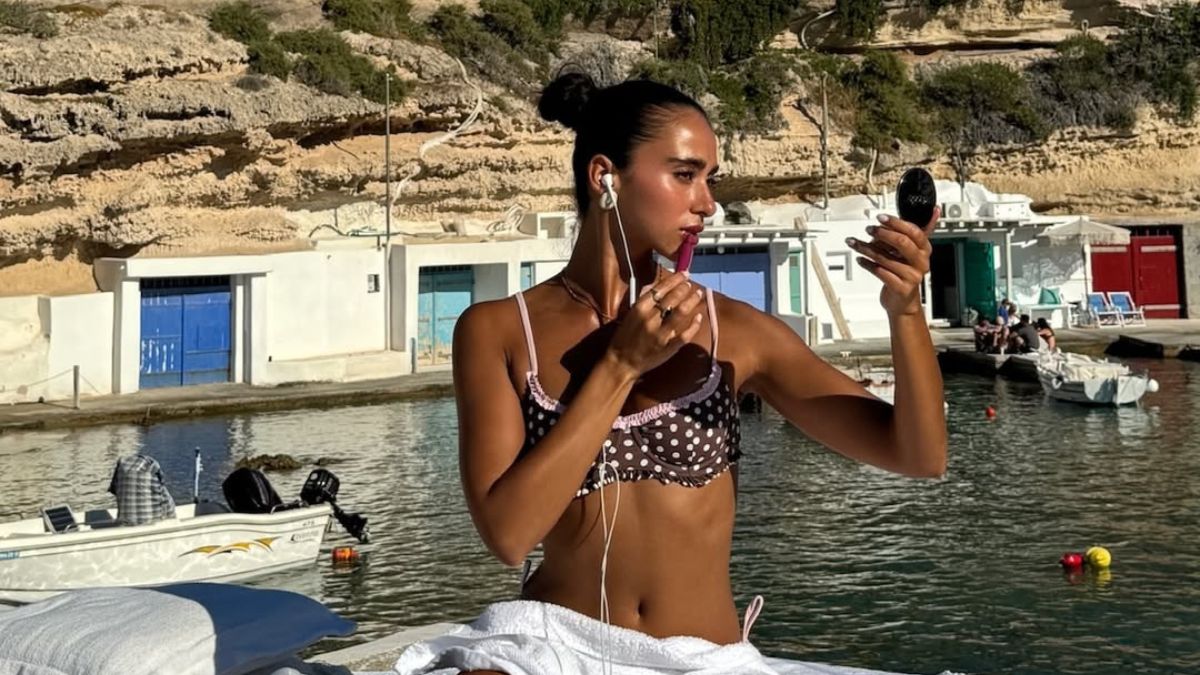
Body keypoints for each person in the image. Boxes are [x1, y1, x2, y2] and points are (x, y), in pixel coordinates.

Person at [394, 72, 948, 675]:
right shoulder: (499, 330)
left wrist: (906, 312)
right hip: (553, 646)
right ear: (605, 176)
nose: (707, 202)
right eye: (685, 175)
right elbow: (508, 537)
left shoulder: (735, 332)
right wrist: (619, 366)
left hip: (705, 659)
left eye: (710, 179)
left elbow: (918, 456)